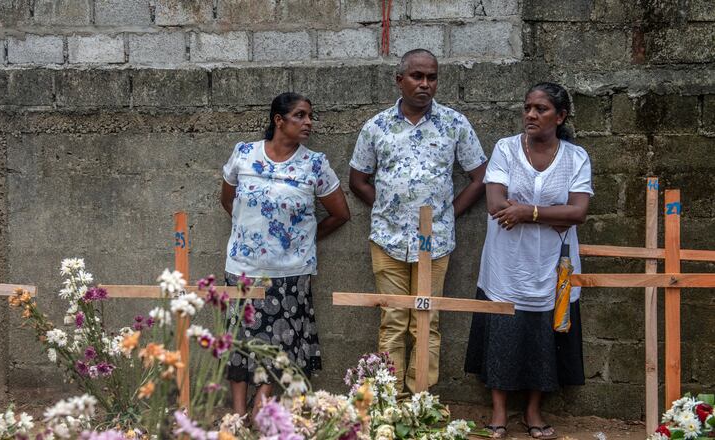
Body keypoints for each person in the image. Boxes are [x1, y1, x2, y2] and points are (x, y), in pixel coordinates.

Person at [348, 49, 487, 394]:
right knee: (393, 319)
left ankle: (421, 397)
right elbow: (358, 179)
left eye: (432, 77)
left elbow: (479, 178)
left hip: (434, 241)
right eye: (417, 76)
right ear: (400, 80)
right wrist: (385, 209)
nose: (425, 84)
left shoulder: (454, 123)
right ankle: (389, 396)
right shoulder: (376, 127)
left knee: (426, 320)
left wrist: (447, 215)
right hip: (387, 239)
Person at [464, 82, 593, 440]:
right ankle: (500, 411)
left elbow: (579, 212)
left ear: (561, 116)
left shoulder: (575, 157)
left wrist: (527, 212)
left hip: (552, 263)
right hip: (506, 262)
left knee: (543, 335)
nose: (531, 115)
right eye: (527, 108)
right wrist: (553, 215)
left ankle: (533, 411)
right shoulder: (506, 149)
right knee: (503, 332)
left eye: (541, 109)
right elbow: (494, 203)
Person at [220, 92, 350, 417]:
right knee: (239, 339)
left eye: (310, 116)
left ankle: (259, 406)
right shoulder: (244, 154)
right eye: (300, 115)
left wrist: (302, 239)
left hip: (290, 273)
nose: (308, 122)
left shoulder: (315, 163)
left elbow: (340, 213)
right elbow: (229, 201)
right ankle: (236, 414)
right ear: (279, 120)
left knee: (279, 343)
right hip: (242, 267)